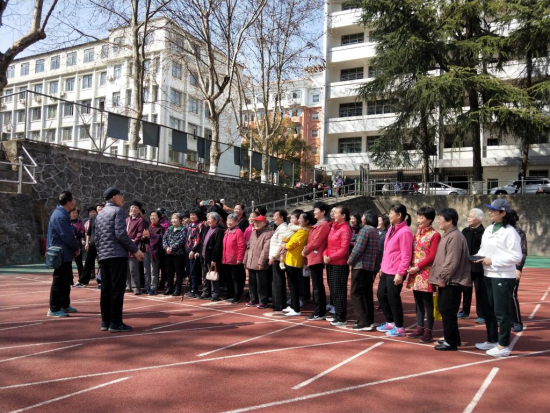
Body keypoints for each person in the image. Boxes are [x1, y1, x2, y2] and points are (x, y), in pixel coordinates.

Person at [474, 199, 522, 357]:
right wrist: (477, 257)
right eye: (490, 210)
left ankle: (503, 346)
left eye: (494, 210)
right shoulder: (489, 229)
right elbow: (483, 249)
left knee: (501, 311)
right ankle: (492, 339)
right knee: (488, 310)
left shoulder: (510, 232)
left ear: (503, 213)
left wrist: (493, 260)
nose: (490, 212)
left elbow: (516, 257)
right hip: (487, 274)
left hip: (503, 276)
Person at [95, 187, 144, 332]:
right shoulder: (118, 211)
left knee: (106, 289)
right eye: (120, 195)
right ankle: (116, 323)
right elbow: (121, 235)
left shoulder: (100, 214)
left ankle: (105, 321)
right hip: (117, 256)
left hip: (103, 256)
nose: (122, 198)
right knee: (117, 289)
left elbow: (96, 239)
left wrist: (100, 254)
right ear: (114, 197)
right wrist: (136, 250)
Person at [429, 208, 471, 351]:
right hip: (448, 280)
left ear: (450, 221)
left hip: (452, 281)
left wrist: (442, 277)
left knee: (448, 311)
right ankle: (452, 338)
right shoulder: (448, 235)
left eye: (441, 219)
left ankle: (451, 342)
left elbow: (451, 261)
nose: (438, 221)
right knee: (445, 310)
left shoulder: (455, 237)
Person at [376, 204, 413, 337]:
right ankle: (390, 321)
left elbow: (406, 255)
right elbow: (387, 250)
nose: (389, 215)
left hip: (395, 271)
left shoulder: (405, 232)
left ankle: (399, 326)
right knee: (381, 294)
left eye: (391, 213)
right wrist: (382, 265)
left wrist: (400, 273)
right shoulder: (391, 228)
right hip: (386, 269)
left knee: (393, 298)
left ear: (399, 215)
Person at [405, 207, 441, 343]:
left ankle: (428, 331)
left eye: (422, 217)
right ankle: (419, 327)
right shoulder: (417, 233)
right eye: (418, 217)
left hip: (426, 273)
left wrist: (418, 267)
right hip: (415, 272)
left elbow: (432, 256)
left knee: (428, 303)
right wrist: (410, 265)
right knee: (418, 301)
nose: (419, 220)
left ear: (430, 220)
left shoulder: (435, 235)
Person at [47, 191, 81, 317]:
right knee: (59, 281)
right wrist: (76, 247)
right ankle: (54, 308)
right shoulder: (60, 215)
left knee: (66, 281)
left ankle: (64, 304)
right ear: (68, 202)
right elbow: (66, 235)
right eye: (73, 199)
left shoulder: (62, 214)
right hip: (60, 253)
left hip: (65, 253)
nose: (75, 201)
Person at [348, 210, 379, 330]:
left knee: (356, 293)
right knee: (367, 293)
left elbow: (358, 248)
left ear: (367, 218)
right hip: (370, 266)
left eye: (363, 217)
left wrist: (349, 261)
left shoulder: (365, 230)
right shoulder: (375, 231)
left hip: (360, 265)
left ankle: (363, 321)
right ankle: (369, 320)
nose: (361, 218)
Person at [324, 205, 353, 326]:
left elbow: (344, 250)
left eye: (336, 213)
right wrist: (325, 254)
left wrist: (330, 257)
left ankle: (341, 317)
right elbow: (328, 245)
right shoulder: (333, 227)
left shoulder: (345, 229)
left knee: (339, 290)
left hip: (339, 264)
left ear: (343, 216)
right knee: (333, 289)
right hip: (330, 263)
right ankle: (337, 313)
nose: (334, 214)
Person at [303, 202, 331, 321]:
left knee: (317, 286)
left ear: (323, 212)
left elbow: (316, 242)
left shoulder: (323, 225)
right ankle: (319, 310)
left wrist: (305, 249)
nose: (314, 212)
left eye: (316, 210)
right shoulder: (318, 225)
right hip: (313, 256)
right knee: (316, 285)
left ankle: (320, 311)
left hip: (316, 257)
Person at [283, 212, 315, 316]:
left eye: (301, 218)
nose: (299, 220)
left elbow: (295, 242)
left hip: (294, 260)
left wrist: (285, 245)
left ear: (307, 221)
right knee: (291, 284)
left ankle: (296, 309)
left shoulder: (304, 231)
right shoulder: (302, 230)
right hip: (291, 259)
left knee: (293, 285)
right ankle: (293, 305)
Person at [459, 208, 486, 323]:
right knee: (466, 289)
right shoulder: (465, 231)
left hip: (479, 267)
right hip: (466, 266)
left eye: (471, 216)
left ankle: (482, 314)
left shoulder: (484, 232)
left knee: (480, 291)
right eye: (468, 216)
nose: (468, 218)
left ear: (479, 219)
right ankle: (465, 311)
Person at [244, 215, 272, 309]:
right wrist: (246, 260)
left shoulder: (268, 233)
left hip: (260, 263)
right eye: (255, 222)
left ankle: (263, 301)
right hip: (251, 261)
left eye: (258, 222)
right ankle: (253, 299)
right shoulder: (253, 233)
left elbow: (266, 250)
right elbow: (248, 247)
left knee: (262, 283)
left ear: (264, 223)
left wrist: (261, 262)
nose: (256, 224)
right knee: (252, 283)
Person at [75, 204, 102, 288]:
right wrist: (87, 243)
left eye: (102, 207)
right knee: (88, 262)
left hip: (102, 244)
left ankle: (101, 281)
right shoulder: (93, 219)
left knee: (101, 263)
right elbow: (89, 232)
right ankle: (83, 281)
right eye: (98, 207)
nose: (100, 208)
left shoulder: (106, 218)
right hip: (93, 244)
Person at [200, 212, 225, 301]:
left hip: (213, 258)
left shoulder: (219, 231)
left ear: (216, 220)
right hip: (204, 257)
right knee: (205, 276)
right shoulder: (207, 229)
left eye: (210, 219)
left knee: (213, 276)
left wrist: (214, 259)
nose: (208, 221)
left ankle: (215, 294)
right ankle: (206, 292)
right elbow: (202, 242)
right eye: (207, 219)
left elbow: (217, 246)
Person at [509, 209, 527, 332]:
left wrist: (518, 268)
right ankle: (507, 319)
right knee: (501, 295)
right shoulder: (499, 231)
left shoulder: (519, 232)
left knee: (512, 295)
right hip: (500, 267)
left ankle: (517, 321)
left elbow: (523, 252)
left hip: (513, 268)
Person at [222, 213, 246, 303]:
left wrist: (239, 258)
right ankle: (230, 293)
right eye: (228, 220)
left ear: (236, 222)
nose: (229, 222)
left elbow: (241, 246)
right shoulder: (226, 231)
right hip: (226, 259)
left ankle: (237, 295)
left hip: (234, 260)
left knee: (236, 279)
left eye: (231, 221)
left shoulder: (238, 232)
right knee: (228, 278)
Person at [268, 209, 289, 312]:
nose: (273, 218)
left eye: (275, 216)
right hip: (275, 258)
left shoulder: (283, 228)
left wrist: (273, 256)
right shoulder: (279, 228)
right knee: (275, 281)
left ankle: (280, 304)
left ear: (282, 217)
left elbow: (281, 245)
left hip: (278, 258)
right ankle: (277, 302)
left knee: (278, 281)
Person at [162, 213, 187, 296]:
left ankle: (177, 289)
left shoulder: (183, 229)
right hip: (168, 254)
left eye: (175, 218)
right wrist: (166, 247)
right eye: (172, 218)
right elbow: (164, 239)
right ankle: (169, 288)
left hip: (178, 254)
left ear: (180, 220)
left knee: (179, 272)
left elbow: (181, 241)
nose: (173, 220)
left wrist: (171, 248)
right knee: (169, 272)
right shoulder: (169, 229)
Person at [141, 210, 165, 295]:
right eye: (151, 215)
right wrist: (143, 237)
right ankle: (147, 287)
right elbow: (143, 239)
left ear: (159, 218)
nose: (152, 217)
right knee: (146, 270)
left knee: (153, 270)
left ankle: (153, 288)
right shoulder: (148, 227)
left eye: (155, 216)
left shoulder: (161, 228)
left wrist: (150, 235)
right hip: (146, 250)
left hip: (155, 251)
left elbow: (161, 238)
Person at [185, 207, 206, 298]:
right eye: (191, 215)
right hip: (188, 250)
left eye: (194, 215)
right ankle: (191, 289)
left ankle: (194, 289)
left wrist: (193, 250)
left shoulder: (200, 225)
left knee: (194, 272)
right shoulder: (190, 225)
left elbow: (198, 239)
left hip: (194, 251)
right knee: (189, 271)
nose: (192, 216)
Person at [126, 200, 146, 295]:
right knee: (126, 267)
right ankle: (128, 285)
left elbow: (140, 232)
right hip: (125, 245)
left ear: (139, 210)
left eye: (136, 208)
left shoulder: (140, 219)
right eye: (132, 207)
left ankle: (136, 287)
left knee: (133, 267)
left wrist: (134, 241)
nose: (133, 209)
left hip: (133, 245)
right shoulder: (127, 219)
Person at [69, 208, 85, 282]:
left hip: (77, 244)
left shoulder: (80, 222)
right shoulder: (66, 222)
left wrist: (76, 236)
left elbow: (82, 233)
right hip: (68, 245)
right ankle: (69, 280)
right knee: (68, 263)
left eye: (76, 213)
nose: (75, 214)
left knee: (79, 263)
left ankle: (81, 279)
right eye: (73, 213)